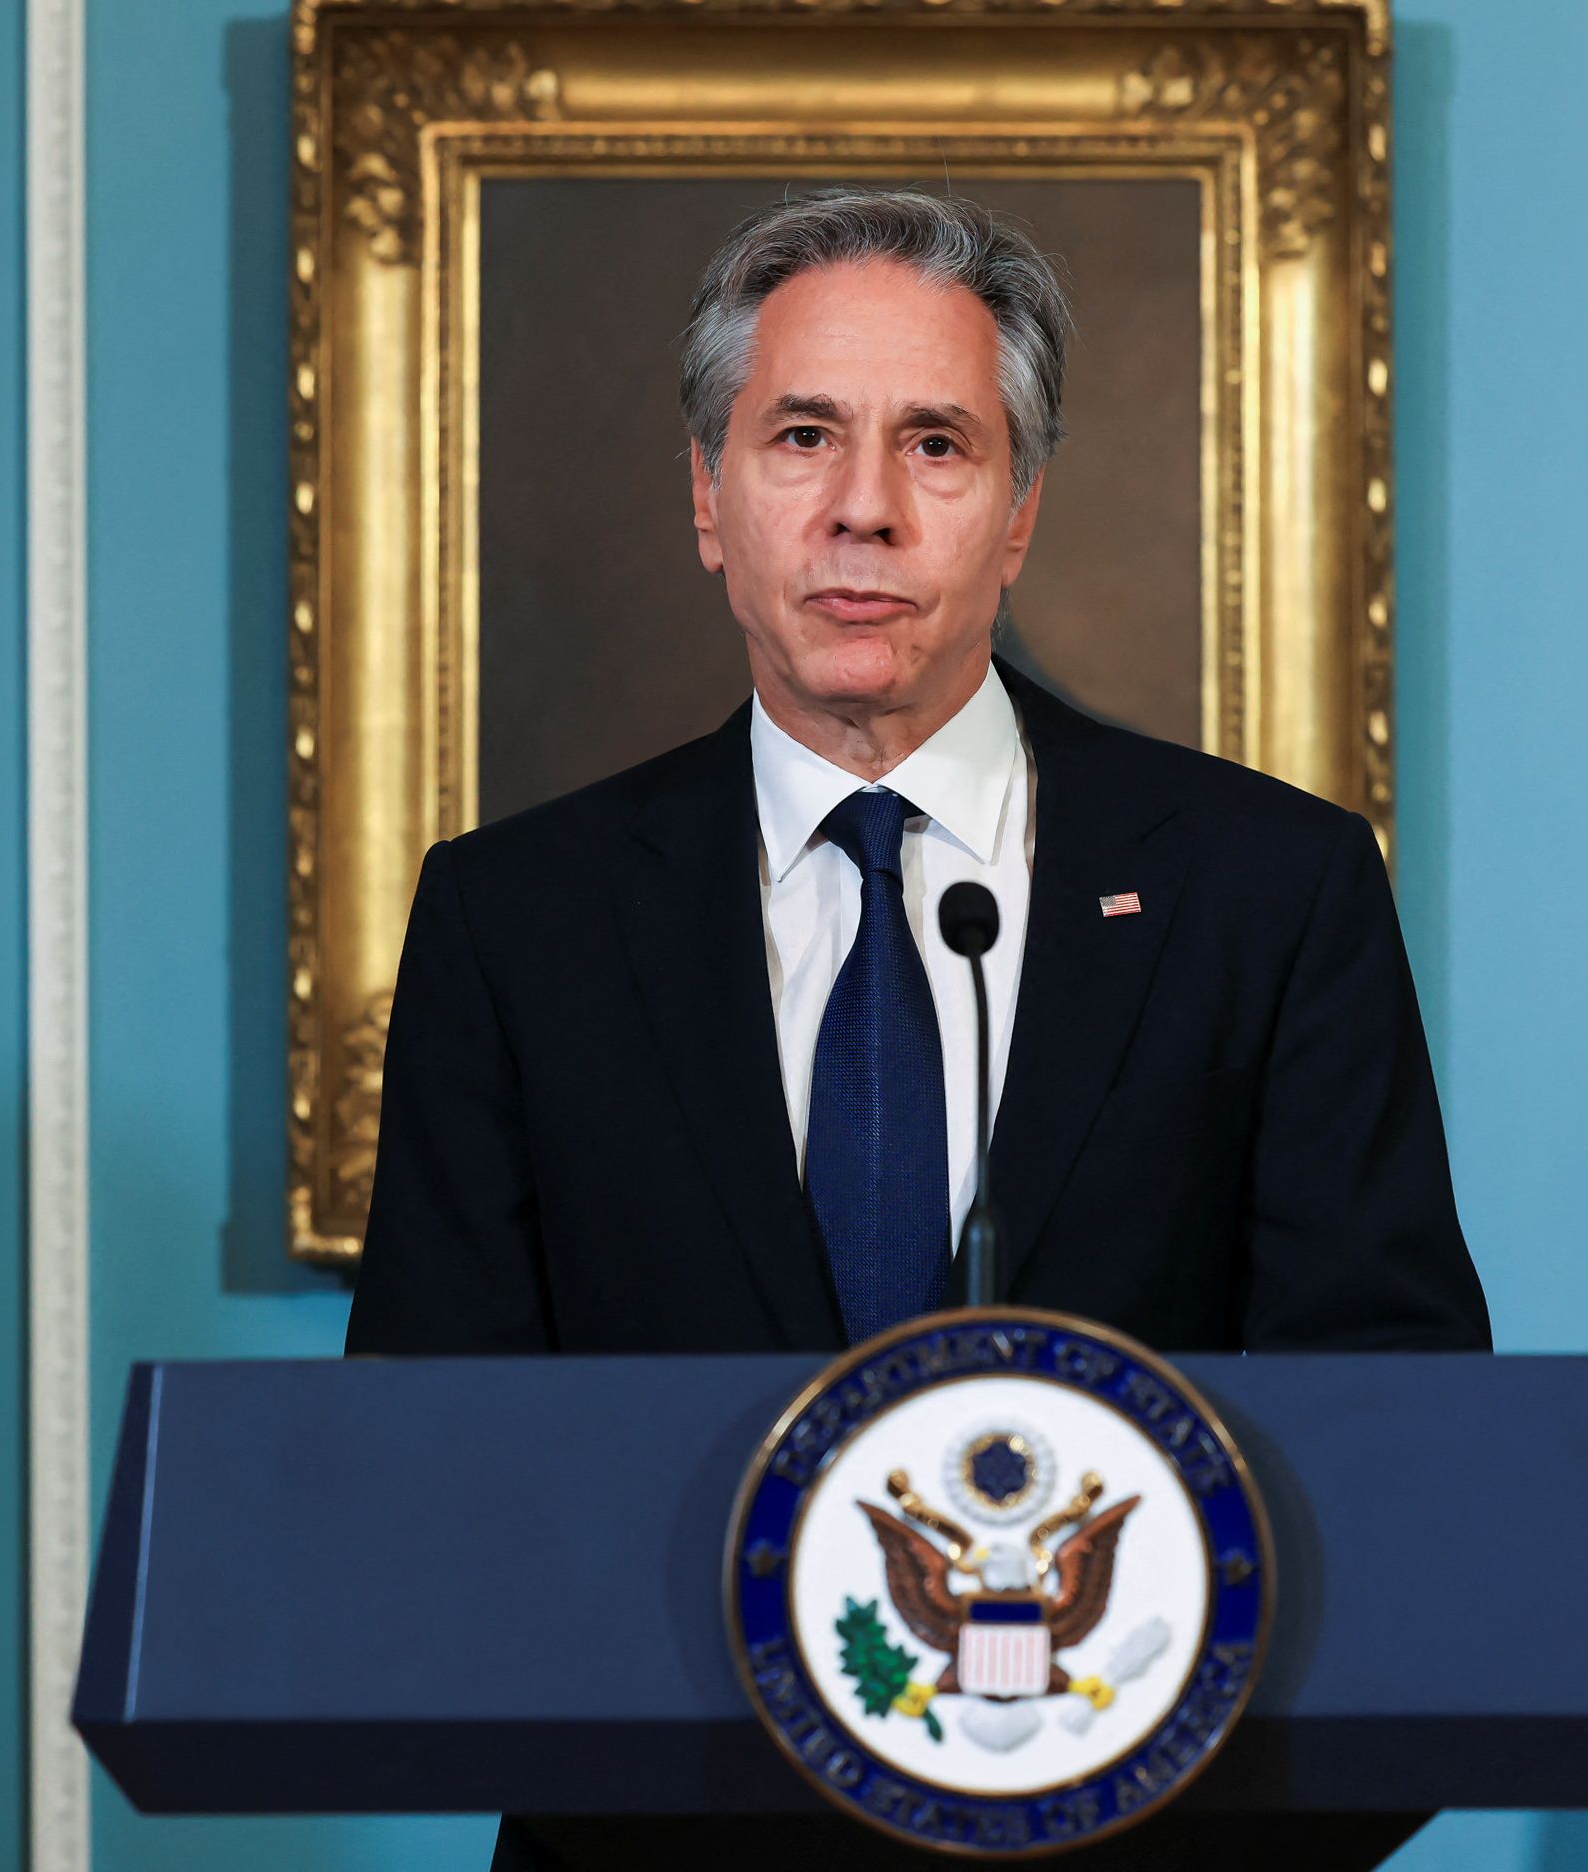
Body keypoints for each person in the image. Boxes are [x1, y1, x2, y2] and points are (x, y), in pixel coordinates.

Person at [346, 188, 1487, 1869]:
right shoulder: (516, 921)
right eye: (802, 436)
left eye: (937, 445)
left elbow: (1394, 1457)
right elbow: (430, 1474)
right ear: (708, 495)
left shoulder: (1269, 890)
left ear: (1019, 511)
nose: (864, 509)